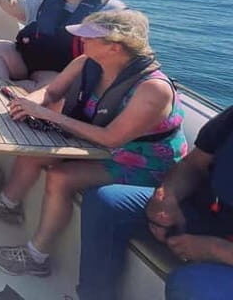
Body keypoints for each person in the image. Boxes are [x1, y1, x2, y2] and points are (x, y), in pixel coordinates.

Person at [0, 10, 187, 277]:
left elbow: (112, 139)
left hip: (142, 162)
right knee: (34, 150)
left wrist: (49, 115)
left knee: (61, 177)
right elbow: (51, 91)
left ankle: (37, 257)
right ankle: (8, 205)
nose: (81, 40)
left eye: (89, 37)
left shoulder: (153, 89)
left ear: (115, 47)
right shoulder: (86, 61)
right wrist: (30, 103)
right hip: (96, 143)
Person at [77, 104, 233, 300]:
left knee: (191, 285)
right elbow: (194, 164)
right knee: (106, 202)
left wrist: (215, 250)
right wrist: (167, 195)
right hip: (207, 214)